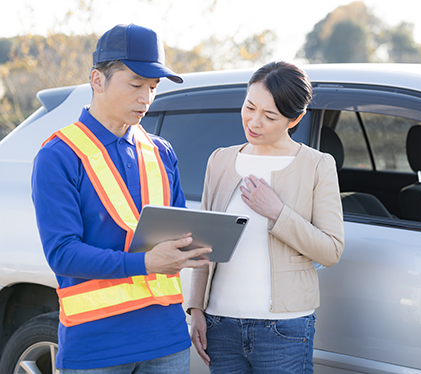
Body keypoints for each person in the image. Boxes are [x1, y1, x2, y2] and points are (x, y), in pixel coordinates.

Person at [31, 24, 211, 372]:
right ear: (97, 80)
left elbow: (177, 232)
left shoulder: (161, 151)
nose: (146, 99)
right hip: (97, 347)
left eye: (153, 88)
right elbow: (62, 253)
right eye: (135, 85)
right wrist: (144, 264)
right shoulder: (59, 154)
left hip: (167, 340)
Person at [188, 61, 345, 373]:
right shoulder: (220, 160)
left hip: (283, 330)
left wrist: (277, 213)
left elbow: (331, 251)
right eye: (249, 107)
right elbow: (204, 244)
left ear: (295, 118)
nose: (254, 122)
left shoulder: (316, 165)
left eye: (269, 116)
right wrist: (195, 308)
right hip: (220, 326)